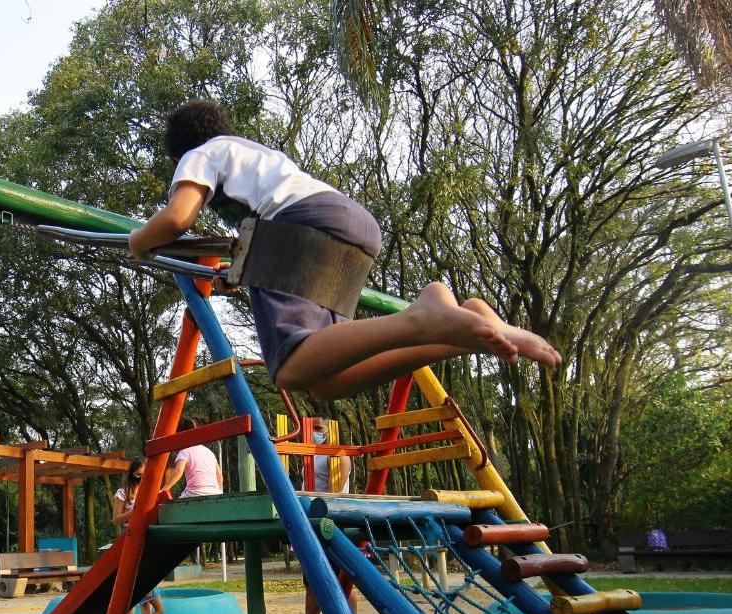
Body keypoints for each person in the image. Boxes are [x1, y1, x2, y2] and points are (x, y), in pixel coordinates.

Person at [128, 100, 561, 402]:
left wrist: (138, 243)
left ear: (180, 152)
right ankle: (456, 334)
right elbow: (250, 237)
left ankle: (420, 317)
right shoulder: (251, 155)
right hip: (348, 223)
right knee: (327, 380)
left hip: (302, 224)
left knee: (290, 367)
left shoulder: (199, 154)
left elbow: (176, 219)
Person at [279, 417, 356, 614]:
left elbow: (339, 489)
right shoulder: (309, 456)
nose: (315, 433)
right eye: (312, 429)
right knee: (311, 581)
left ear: (330, 430)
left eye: (319, 429)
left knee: (341, 583)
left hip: (333, 521)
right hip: (310, 520)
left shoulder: (340, 455)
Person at [111, 459, 166, 614]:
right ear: (135, 475)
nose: (146, 477)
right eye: (142, 474)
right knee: (141, 592)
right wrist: (133, 512)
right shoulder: (123, 493)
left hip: (145, 541)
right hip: (130, 540)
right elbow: (116, 520)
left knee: (146, 602)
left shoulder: (147, 490)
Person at [161, 418, 224, 498]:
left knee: (177, 502)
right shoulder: (209, 452)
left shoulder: (184, 452)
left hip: (195, 493)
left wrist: (163, 490)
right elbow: (220, 477)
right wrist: (219, 493)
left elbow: (178, 472)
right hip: (215, 493)